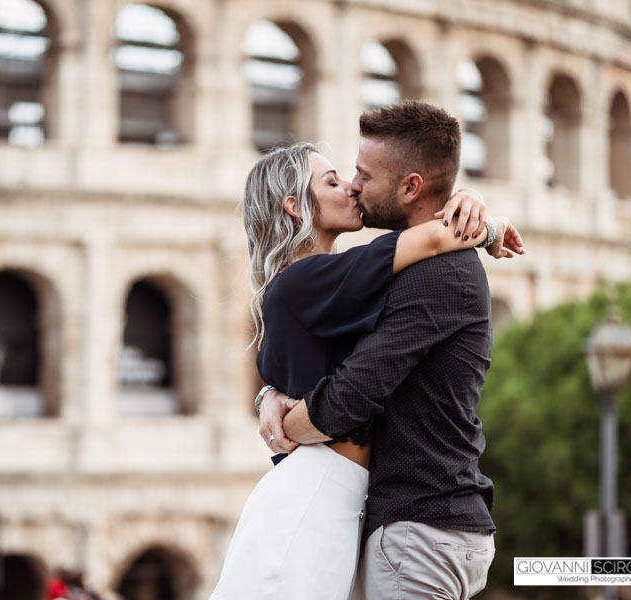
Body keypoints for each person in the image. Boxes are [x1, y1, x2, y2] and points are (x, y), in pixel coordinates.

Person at [211, 110, 522, 597]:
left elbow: (326, 384)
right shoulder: (310, 280)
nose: (354, 187)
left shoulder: (340, 282)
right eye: (335, 181)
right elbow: (347, 396)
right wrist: (482, 224)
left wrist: (473, 205)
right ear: (295, 207)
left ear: (411, 186)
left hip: (359, 497)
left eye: (360, 176)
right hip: (326, 487)